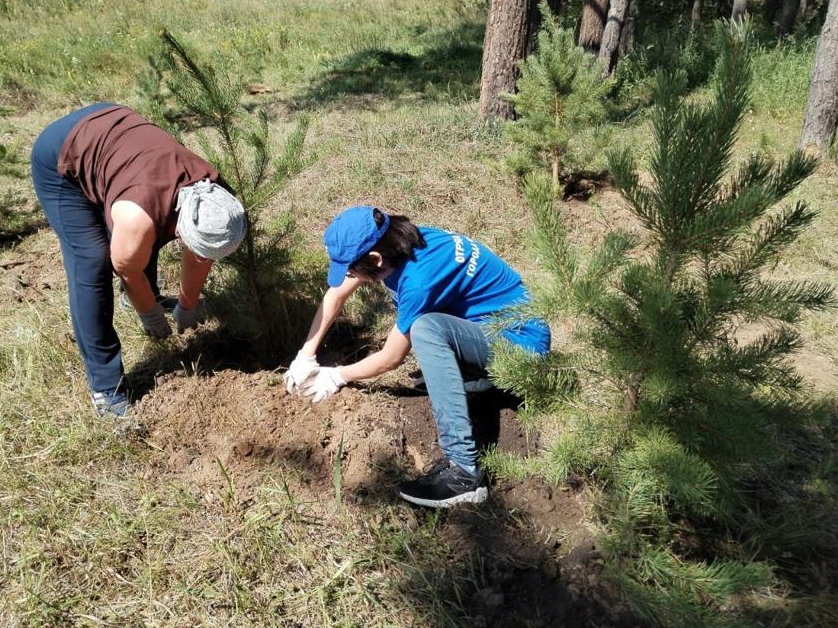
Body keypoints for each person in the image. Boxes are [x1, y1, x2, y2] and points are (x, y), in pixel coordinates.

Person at [285, 206, 550, 508]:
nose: (349, 276)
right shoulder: (402, 241)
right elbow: (337, 294)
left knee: (426, 330)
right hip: (491, 333)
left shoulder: (420, 280)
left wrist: (336, 376)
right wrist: (306, 354)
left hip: (522, 349)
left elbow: (391, 357)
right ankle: (477, 377)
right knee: (430, 329)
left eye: (352, 269)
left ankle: (464, 474)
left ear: (375, 259)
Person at [31, 102, 246, 418]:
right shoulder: (137, 217)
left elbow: (200, 254)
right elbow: (126, 267)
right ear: (183, 229)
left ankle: (141, 298)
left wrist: (188, 306)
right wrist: (151, 315)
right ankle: (105, 389)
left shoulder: (216, 200)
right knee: (93, 261)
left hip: (117, 140)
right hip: (61, 155)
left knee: (143, 234)